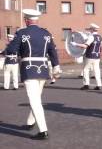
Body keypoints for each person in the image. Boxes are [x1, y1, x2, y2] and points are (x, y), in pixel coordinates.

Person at [6, 9, 61, 140]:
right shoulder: (46, 33)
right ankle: (31, 122)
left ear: (26, 20)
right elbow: (53, 52)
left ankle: (43, 131)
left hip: (29, 69)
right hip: (43, 69)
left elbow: (12, 49)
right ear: (37, 20)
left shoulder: (21, 32)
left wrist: (13, 45)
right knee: (36, 97)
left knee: (34, 100)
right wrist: (56, 67)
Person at [71, 23, 102, 90]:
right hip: (97, 56)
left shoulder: (91, 37)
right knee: (97, 70)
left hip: (90, 56)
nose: (89, 30)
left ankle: (86, 84)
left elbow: (85, 46)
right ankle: (99, 85)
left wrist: (75, 44)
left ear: (92, 30)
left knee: (86, 69)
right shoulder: (100, 37)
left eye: (90, 29)